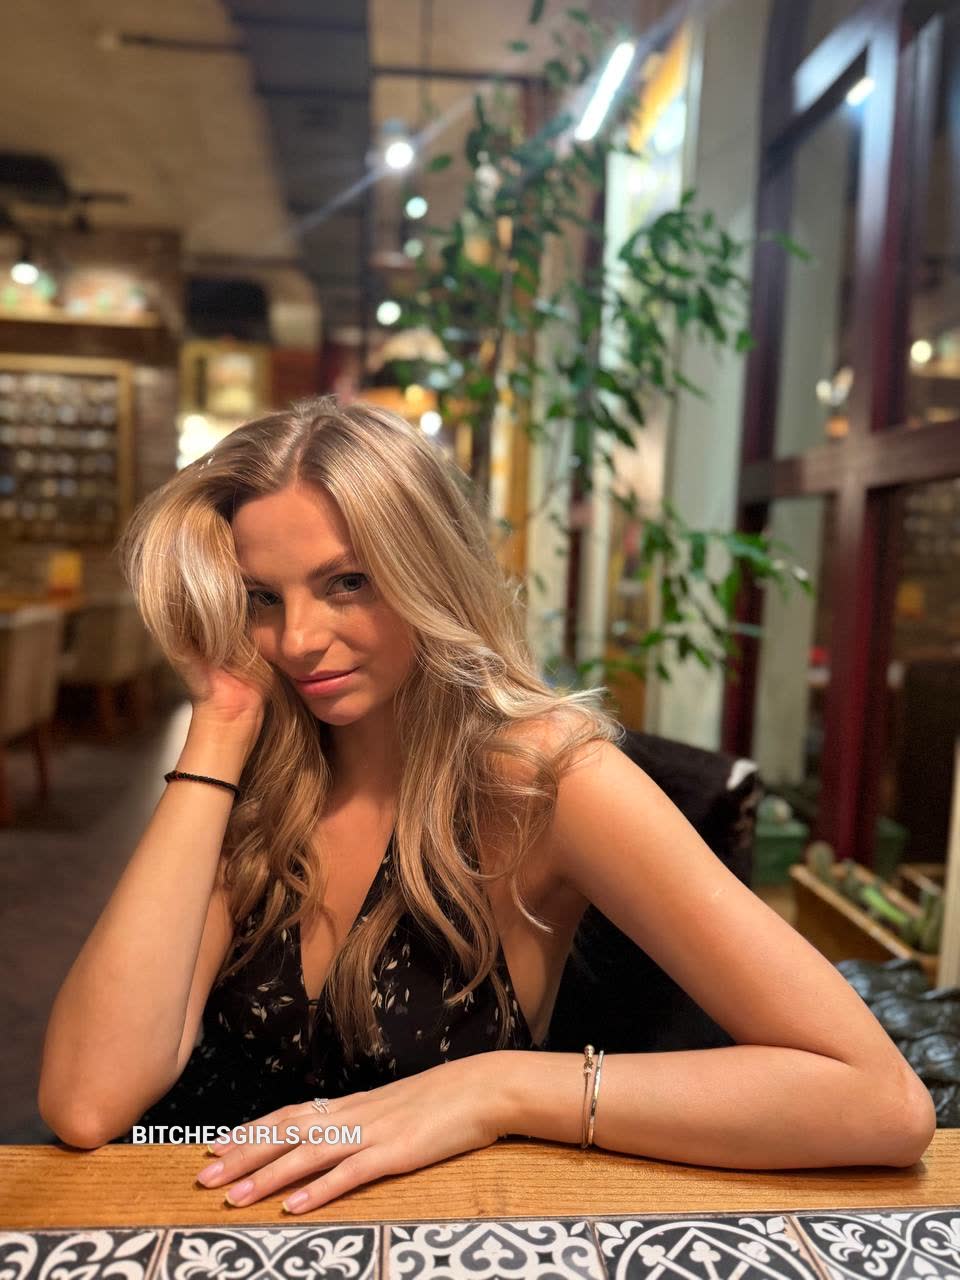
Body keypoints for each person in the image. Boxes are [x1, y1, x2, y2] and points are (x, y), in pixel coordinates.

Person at [38, 397, 935, 1212]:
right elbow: (86, 1102)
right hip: (212, 1229)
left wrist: (496, 1088)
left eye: (348, 582)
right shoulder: (262, 778)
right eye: (262, 598)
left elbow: (878, 1100)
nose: (299, 640)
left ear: (428, 571)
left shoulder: (544, 779)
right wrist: (223, 722)